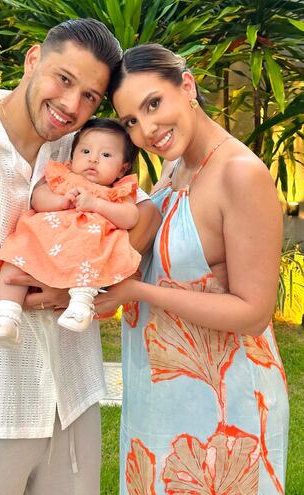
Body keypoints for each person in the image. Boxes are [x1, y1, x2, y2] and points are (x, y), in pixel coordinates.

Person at [0, 20, 160, 495]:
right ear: (32, 60)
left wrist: (99, 263)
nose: (71, 105)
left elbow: (143, 213)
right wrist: (65, 291)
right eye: (63, 80)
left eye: (89, 96)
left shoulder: (79, 145)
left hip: (73, 396)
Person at [96, 44, 289, 494]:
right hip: (161, 396)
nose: (147, 129)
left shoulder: (239, 173)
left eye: (153, 104)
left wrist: (138, 294)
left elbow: (253, 311)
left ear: (186, 85)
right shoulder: (175, 167)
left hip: (227, 411)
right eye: (131, 121)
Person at [0, 117, 141, 345]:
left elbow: (131, 216)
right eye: (85, 151)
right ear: (73, 155)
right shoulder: (63, 177)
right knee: (14, 263)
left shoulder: (116, 191)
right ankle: (6, 318)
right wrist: (60, 202)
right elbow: (38, 198)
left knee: (92, 259)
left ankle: (80, 306)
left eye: (106, 155)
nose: (93, 159)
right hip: (42, 241)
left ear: (122, 168)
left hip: (84, 247)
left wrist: (96, 205)